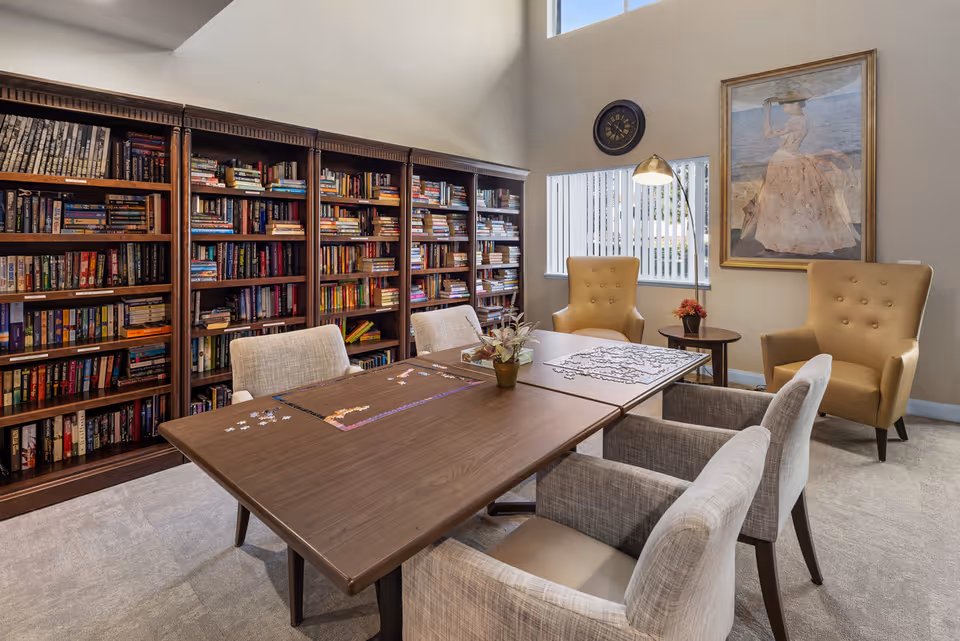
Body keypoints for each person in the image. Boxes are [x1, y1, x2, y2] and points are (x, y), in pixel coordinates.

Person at [741, 90, 860, 255]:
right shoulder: (801, 120)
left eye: (786, 104)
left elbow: (768, 134)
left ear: (797, 104)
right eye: (782, 104)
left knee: (787, 203)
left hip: (785, 162)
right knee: (788, 203)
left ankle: (787, 242)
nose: (783, 107)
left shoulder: (797, 121)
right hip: (786, 160)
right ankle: (785, 241)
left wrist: (766, 111)